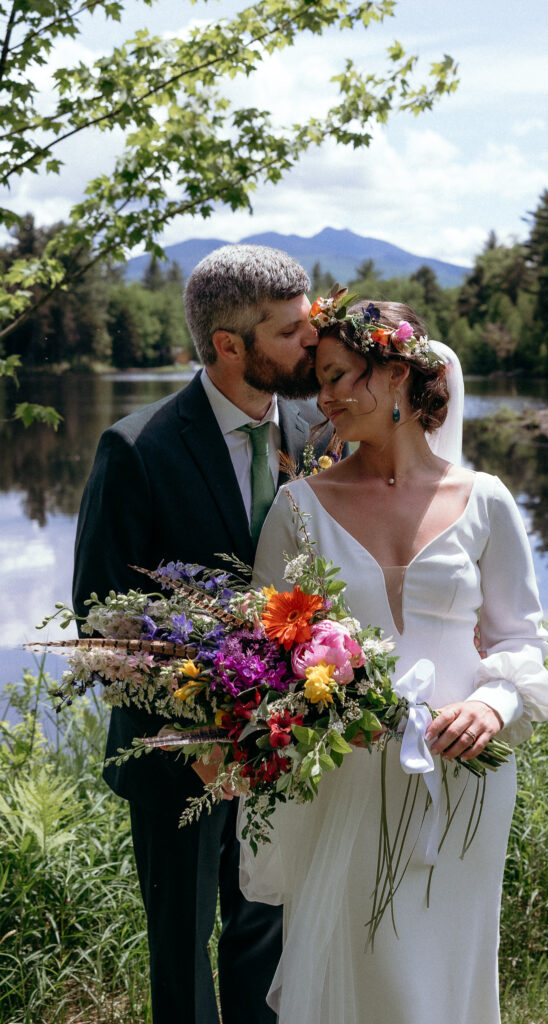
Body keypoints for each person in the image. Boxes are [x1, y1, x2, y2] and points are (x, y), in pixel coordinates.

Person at [244, 300, 548, 1024]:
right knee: (359, 962)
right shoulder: (297, 509)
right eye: (317, 381)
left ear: (393, 375)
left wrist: (492, 705)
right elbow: (263, 652)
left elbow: (522, 641)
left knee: (446, 960)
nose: (323, 399)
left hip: (465, 775)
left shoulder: (485, 501)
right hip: (346, 772)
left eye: (336, 377)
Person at [72, 245, 338, 1024]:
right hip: (177, 760)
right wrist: (200, 727)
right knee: (183, 957)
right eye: (290, 332)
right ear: (229, 346)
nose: (312, 345)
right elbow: (99, 618)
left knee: (266, 941)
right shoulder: (137, 449)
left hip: (282, 751)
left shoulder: (319, 431)